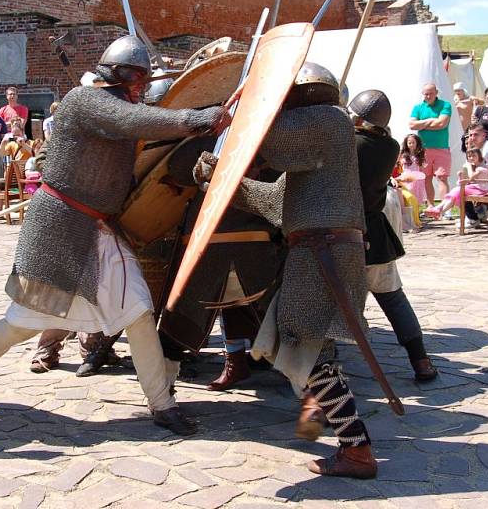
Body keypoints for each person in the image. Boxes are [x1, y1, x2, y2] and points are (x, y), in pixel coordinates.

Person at [0, 35, 231, 436]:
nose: (141, 85)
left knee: (138, 312)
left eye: (144, 78)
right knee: (27, 320)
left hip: (101, 228)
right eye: (136, 77)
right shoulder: (85, 101)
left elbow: (145, 128)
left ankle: (162, 404)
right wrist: (196, 117)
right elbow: (133, 121)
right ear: (116, 73)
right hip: (59, 225)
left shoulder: (122, 107)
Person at [198, 63, 379, 479]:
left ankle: (357, 450)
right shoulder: (318, 153)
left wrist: (249, 109)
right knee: (311, 347)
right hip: (323, 250)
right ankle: (322, 421)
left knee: (305, 347)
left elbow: (264, 138)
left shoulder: (328, 121)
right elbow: (276, 203)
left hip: (323, 253)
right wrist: (219, 178)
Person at [157, 137, 284, 393]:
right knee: (219, 307)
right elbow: (180, 169)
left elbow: (277, 192)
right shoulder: (207, 138)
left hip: (254, 243)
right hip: (210, 243)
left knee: (278, 319)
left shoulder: (270, 143)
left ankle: (315, 386)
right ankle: (234, 363)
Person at [349, 90, 437, 381]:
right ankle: (421, 361)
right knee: (394, 300)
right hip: (376, 233)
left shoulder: (349, 144)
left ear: (360, 118)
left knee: (336, 303)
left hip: (346, 233)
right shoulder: (389, 146)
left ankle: (326, 373)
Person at [409, 84, 452, 209]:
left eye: (431, 93)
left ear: (436, 92)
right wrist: (431, 121)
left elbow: (442, 124)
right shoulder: (418, 107)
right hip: (423, 149)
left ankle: (444, 208)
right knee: (426, 178)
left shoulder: (445, 105)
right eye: (426, 94)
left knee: (442, 177)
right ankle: (431, 206)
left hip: (441, 147)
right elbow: (411, 125)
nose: (428, 96)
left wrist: (421, 124)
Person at [425, 147, 488, 219]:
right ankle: (439, 210)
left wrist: (468, 166)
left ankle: (439, 211)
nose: (471, 158)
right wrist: (460, 176)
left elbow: (471, 177)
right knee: (454, 193)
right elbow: (465, 181)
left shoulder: (481, 167)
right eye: (469, 156)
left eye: (474, 156)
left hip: (481, 189)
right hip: (474, 187)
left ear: (479, 156)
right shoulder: (475, 167)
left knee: (456, 191)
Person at [462, 124, 488, 226]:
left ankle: (473, 218)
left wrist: (481, 178)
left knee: (462, 191)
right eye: (470, 135)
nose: (472, 138)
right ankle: (477, 214)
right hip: (486, 182)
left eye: (476, 135)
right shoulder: (474, 148)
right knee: (462, 187)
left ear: (484, 135)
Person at [398, 133, 427, 205]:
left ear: (417, 143)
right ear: (406, 144)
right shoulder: (403, 155)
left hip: (416, 177)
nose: (411, 145)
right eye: (409, 143)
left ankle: (415, 209)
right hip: (406, 176)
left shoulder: (419, 155)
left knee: (416, 194)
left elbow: (421, 167)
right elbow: (399, 164)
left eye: (413, 142)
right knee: (407, 193)